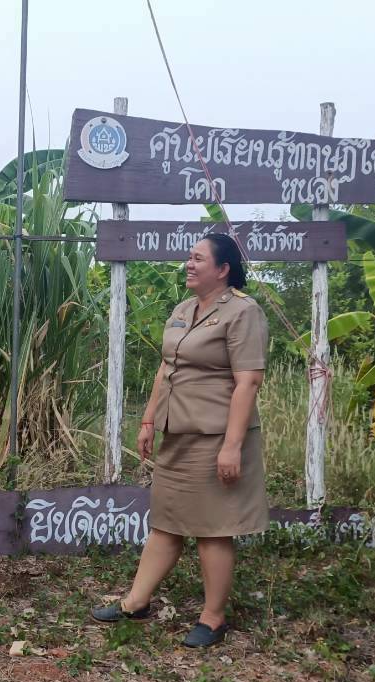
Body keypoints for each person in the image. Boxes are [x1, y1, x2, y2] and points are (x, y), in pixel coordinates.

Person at [90, 232, 268, 649]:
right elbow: (165, 368)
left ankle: (213, 617)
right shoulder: (184, 309)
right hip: (178, 433)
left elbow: (248, 381)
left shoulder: (243, 312)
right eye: (188, 258)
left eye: (198, 259)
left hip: (214, 435)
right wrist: (149, 420)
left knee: (212, 529)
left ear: (223, 270)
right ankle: (136, 602)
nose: (189, 264)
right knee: (166, 521)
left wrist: (231, 446)